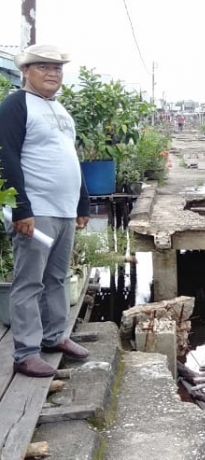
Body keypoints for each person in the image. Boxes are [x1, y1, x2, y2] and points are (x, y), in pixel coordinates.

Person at [0, 44, 91, 378]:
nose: (53, 73)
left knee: (57, 277)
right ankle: (25, 352)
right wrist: (20, 207)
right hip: (35, 212)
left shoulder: (59, 109)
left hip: (64, 211)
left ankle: (54, 337)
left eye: (58, 68)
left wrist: (83, 202)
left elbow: (71, 159)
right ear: (25, 71)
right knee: (29, 282)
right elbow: (5, 156)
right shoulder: (15, 105)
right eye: (43, 67)